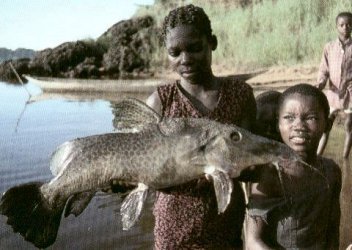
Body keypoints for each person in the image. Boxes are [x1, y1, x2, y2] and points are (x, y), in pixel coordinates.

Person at [146, 4, 257, 249]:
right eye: (175, 52)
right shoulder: (160, 101)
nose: (185, 59)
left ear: (212, 42)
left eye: (195, 48)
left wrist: (228, 164)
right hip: (173, 229)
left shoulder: (240, 94)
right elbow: (146, 165)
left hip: (224, 224)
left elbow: (252, 162)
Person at [245, 84, 341, 249]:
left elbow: (332, 230)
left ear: (328, 124)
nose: (299, 126)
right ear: (278, 124)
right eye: (289, 118)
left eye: (311, 118)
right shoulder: (271, 176)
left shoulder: (331, 171)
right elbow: (253, 242)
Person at [316, 11, 352, 159]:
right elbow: (324, 69)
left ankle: (345, 159)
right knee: (326, 126)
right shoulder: (329, 47)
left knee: (349, 125)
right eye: (342, 25)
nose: (345, 27)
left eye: (349, 24)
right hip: (333, 93)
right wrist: (320, 84)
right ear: (336, 27)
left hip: (350, 92)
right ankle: (317, 156)